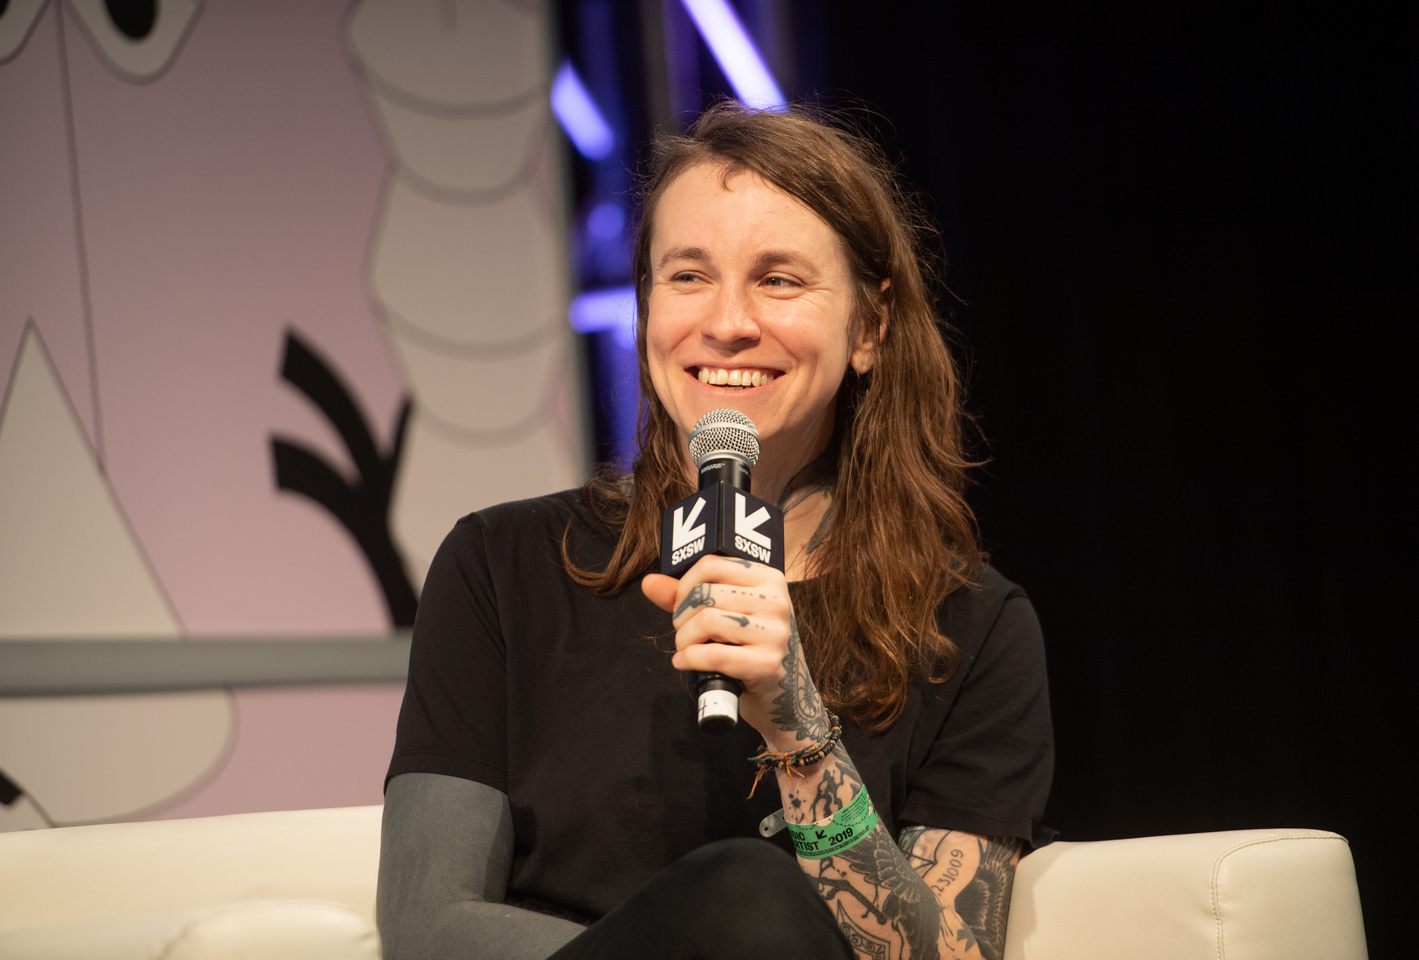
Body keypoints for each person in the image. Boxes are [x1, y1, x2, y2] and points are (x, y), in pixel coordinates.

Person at [377, 101, 1054, 960]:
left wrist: (798, 730)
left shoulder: (973, 628)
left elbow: (951, 958)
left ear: (870, 328)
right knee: (742, 899)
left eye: (778, 279)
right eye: (688, 276)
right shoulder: (502, 567)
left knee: (750, 894)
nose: (727, 322)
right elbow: (427, 927)